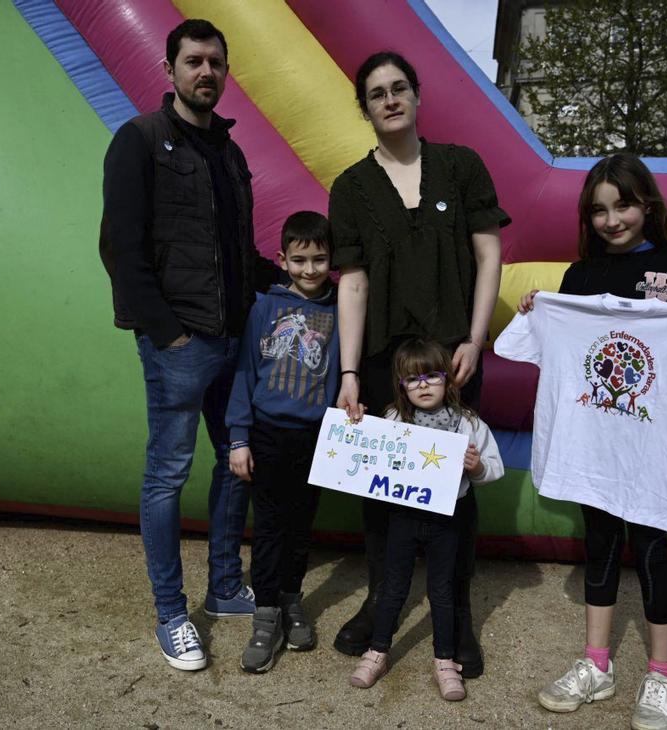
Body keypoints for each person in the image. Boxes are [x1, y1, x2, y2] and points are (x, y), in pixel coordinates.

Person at [511, 153, 667, 729]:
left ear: (648, 205)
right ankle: (596, 664)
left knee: (653, 548)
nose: (612, 220)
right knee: (600, 544)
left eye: (624, 206)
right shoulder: (579, 278)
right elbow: (546, 345)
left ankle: (663, 674)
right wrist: (537, 313)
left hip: (647, 449)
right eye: (599, 210)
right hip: (594, 447)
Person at [99, 18, 281, 671]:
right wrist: (167, 334)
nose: (206, 72)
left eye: (216, 63)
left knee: (239, 461)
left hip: (234, 340)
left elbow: (238, 254)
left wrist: (299, 282)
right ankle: (172, 614)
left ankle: (226, 587)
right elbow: (121, 249)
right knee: (167, 474)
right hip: (181, 344)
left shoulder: (229, 154)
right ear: (170, 70)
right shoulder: (140, 141)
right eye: (194, 61)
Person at [328, 50, 509, 678]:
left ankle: (454, 617)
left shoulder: (461, 167)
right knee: (381, 491)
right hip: (384, 363)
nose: (390, 99)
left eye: (399, 87)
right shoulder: (351, 188)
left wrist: (475, 340)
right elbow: (352, 282)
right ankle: (382, 599)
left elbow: (489, 257)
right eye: (376, 93)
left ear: (417, 94)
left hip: (452, 357)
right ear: (365, 108)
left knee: (456, 488)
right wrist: (350, 373)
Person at [347, 339, 504, 701]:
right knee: (392, 586)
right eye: (413, 379)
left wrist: (477, 467)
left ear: (447, 379)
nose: (423, 385)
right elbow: (368, 451)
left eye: (432, 376)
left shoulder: (468, 423)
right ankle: (378, 651)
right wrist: (356, 425)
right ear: (401, 385)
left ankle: (445, 661)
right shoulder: (393, 420)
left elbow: (495, 468)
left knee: (443, 590)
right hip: (403, 517)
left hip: (447, 522)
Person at [225, 211, 339, 673]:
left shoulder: (341, 311)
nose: (310, 269)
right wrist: (238, 438)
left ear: (332, 259)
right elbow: (245, 372)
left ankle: (292, 600)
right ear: (282, 259)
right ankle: (266, 614)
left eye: (319, 259)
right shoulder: (264, 308)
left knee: (300, 526)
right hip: (268, 434)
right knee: (270, 528)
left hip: (315, 437)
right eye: (299, 260)